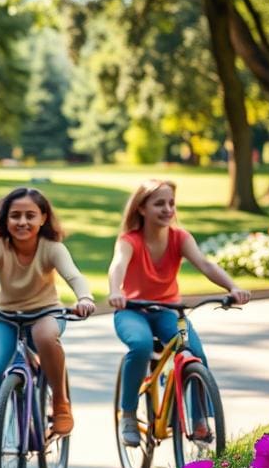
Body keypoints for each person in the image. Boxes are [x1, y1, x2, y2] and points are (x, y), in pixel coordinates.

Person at [0, 188, 94, 468]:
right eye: (15, 215)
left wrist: (84, 298)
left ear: (43, 218)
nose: (22, 222)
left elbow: (73, 275)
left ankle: (60, 403)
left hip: (46, 313)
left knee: (45, 337)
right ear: (5, 219)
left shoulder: (52, 247)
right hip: (5, 317)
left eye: (30, 215)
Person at [107, 179, 251, 446]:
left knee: (194, 351)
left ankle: (198, 421)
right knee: (139, 346)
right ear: (141, 208)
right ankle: (128, 413)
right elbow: (118, 265)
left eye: (171, 203)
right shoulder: (130, 240)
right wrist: (116, 290)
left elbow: (205, 265)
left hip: (168, 310)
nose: (167, 209)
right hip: (132, 310)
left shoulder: (180, 238)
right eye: (159, 203)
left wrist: (233, 287)